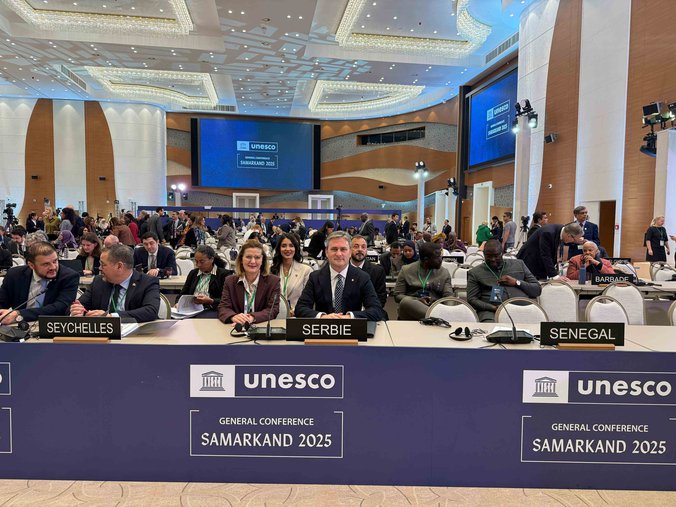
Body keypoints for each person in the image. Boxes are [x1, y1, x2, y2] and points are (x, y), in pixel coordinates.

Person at [295, 231, 384, 320]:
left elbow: (376, 310)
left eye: (343, 249)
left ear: (350, 252)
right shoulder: (315, 277)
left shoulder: (363, 277)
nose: (338, 254)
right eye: (334, 249)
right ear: (326, 252)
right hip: (324, 326)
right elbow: (300, 308)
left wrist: (349, 317)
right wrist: (322, 317)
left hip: (352, 327)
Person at [70, 244, 160, 323]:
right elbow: (77, 306)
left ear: (119, 266)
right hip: (103, 335)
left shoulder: (147, 282)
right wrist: (76, 311)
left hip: (137, 334)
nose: (99, 268)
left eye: (103, 265)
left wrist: (111, 317)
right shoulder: (98, 282)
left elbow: (150, 311)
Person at [0, 242, 79, 324]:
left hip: (51, 325)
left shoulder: (69, 276)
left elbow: (60, 308)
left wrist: (19, 314)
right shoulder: (15, 275)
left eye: (55, 261)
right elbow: (2, 301)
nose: (53, 267)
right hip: (17, 327)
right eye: (46, 264)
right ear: (31, 265)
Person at [467, 239, 541, 322]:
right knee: (490, 326)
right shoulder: (475, 273)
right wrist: (493, 308)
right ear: (483, 254)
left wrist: (516, 282)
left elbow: (537, 290)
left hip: (523, 309)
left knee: (538, 325)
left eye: (496, 255)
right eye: (488, 256)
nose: (493, 259)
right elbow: (471, 299)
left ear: (501, 253)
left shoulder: (519, 264)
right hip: (491, 312)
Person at [217, 239, 280, 326]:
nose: (253, 261)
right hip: (235, 327)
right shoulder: (230, 281)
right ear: (241, 259)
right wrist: (233, 317)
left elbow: (273, 310)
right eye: (248, 257)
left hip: (261, 327)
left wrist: (252, 317)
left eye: (257, 257)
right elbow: (223, 307)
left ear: (262, 260)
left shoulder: (273, 281)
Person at [393, 242, 453, 320]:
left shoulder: (444, 273)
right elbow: (397, 295)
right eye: (437, 257)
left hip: (435, 307)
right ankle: (438, 318)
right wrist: (417, 300)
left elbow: (448, 296)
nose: (440, 260)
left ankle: (437, 317)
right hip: (411, 309)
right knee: (406, 302)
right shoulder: (406, 270)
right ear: (426, 260)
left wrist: (449, 309)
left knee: (454, 304)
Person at [516, 222, 584, 280]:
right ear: (569, 235)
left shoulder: (562, 230)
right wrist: (554, 276)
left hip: (538, 263)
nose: (574, 242)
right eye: (575, 240)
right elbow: (546, 255)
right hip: (529, 262)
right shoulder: (548, 233)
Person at [179, 245, 231, 313]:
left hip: (211, 309)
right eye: (196, 261)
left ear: (211, 259)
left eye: (202, 262)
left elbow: (227, 300)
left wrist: (211, 301)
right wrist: (178, 303)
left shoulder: (223, 275)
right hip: (191, 309)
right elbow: (182, 294)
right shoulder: (193, 273)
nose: (198, 265)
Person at [270, 232, 313, 315]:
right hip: (274, 316)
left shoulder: (306, 270)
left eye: (291, 246)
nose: (287, 249)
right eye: (283, 246)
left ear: (296, 248)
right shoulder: (271, 270)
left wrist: (296, 311)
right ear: (279, 248)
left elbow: (309, 299)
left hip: (297, 315)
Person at [351, 235, 387, 309]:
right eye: (356, 246)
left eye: (363, 247)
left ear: (366, 250)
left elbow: (381, 299)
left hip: (369, 312)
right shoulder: (341, 269)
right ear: (349, 249)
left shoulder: (377, 271)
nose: (360, 249)